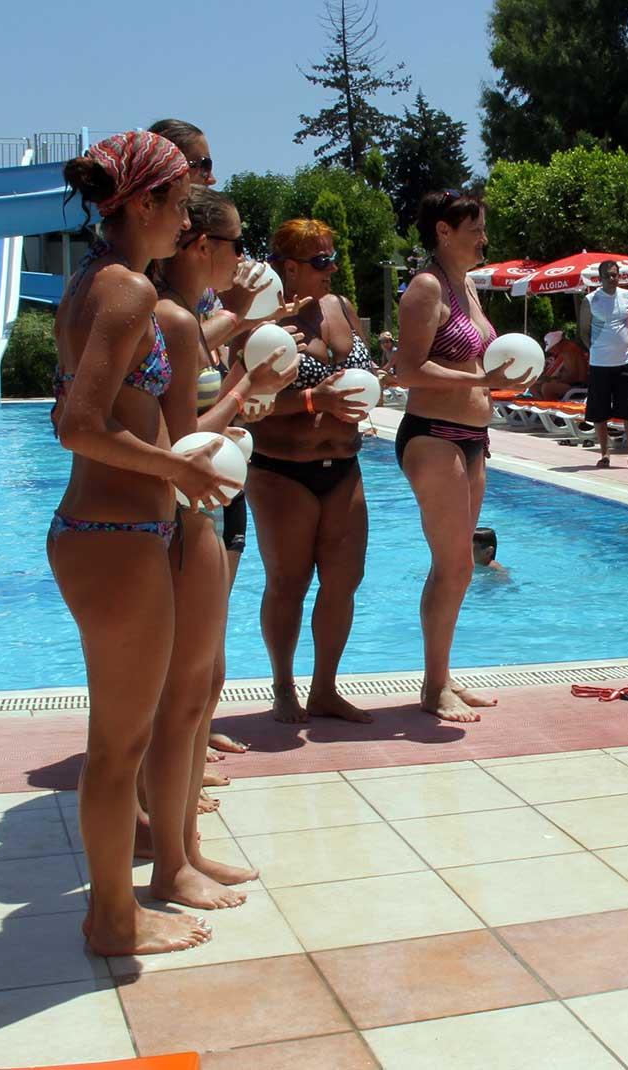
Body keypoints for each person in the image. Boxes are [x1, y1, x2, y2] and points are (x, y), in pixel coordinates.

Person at [49, 130, 233, 955]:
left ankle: (123, 905)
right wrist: (176, 467)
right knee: (118, 747)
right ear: (146, 202)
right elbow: (77, 425)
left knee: (120, 741)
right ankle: (112, 920)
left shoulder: (94, 280)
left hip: (117, 529)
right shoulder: (122, 290)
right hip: (114, 531)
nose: (186, 220)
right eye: (180, 204)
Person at [145, 185, 292, 907]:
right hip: (174, 521)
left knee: (192, 691)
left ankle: (185, 851)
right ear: (202, 245)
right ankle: (171, 862)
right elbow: (180, 440)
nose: (244, 257)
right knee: (177, 699)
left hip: (191, 513)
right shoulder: (172, 318)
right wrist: (245, 388)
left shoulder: (187, 317)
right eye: (237, 242)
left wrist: (237, 400)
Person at [393, 190, 525, 721]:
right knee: (451, 565)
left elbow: (476, 360)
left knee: (462, 567)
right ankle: (433, 688)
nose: (484, 239)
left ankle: (442, 675)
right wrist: (479, 381)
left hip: (473, 437)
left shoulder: (466, 285)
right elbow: (407, 370)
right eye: (475, 230)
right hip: (434, 434)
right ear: (443, 232)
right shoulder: (426, 287)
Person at [250, 218, 377, 725]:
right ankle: (284, 687)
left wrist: (372, 386)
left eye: (333, 258)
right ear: (289, 267)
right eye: (321, 261)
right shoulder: (264, 321)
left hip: (344, 463)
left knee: (345, 580)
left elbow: (365, 373)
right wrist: (312, 399)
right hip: (283, 469)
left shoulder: (341, 307)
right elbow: (246, 403)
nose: (332, 268)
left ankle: (325, 689)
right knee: (288, 583)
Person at [578, 260, 628, 468]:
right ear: (600, 278)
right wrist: (595, 350)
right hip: (600, 364)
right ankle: (604, 454)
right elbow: (583, 331)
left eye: (614, 275)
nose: (612, 278)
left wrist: (620, 344)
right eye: (607, 275)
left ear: (619, 276)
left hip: (625, 362)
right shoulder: (591, 300)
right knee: (599, 410)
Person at [534, 331, 588, 401]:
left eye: (552, 348)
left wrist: (553, 380)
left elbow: (573, 376)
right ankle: (545, 404)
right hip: (572, 384)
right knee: (534, 386)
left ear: (558, 344)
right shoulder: (565, 351)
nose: (551, 351)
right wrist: (551, 379)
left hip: (578, 386)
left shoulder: (569, 351)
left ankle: (551, 406)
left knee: (547, 387)